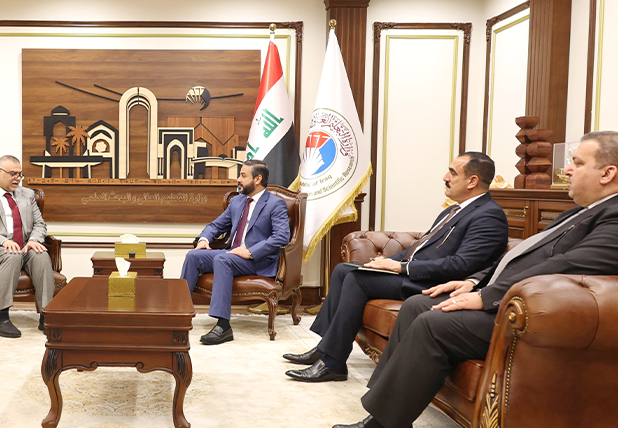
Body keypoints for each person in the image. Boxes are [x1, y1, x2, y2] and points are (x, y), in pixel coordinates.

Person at [319, 131, 618, 428]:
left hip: (534, 319)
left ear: (607, 173)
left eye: (577, 163)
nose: (567, 170)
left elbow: (566, 268)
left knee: (432, 325)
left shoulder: (614, 216)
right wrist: (473, 282)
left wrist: (486, 297)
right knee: (417, 306)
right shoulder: (581, 211)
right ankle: (392, 422)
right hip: (513, 303)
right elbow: (519, 259)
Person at [283, 152, 508, 383]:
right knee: (343, 270)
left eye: (452, 173)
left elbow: (462, 265)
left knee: (358, 280)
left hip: (435, 283)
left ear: (472, 181)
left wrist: (402, 268)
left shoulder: (488, 215)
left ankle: (333, 363)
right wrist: (385, 263)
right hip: (418, 274)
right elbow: (420, 248)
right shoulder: (453, 210)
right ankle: (325, 348)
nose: (445, 177)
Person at [180, 159, 290, 345]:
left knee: (223, 259)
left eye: (243, 175)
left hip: (256, 260)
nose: (238, 179)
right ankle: (180, 313)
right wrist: (204, 239)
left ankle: (223, 326)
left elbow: (281, 237)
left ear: (258, 179)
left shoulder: (275, 204)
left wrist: (251, 252)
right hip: (232, 254)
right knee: (193, 256)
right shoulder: (237, 201)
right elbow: (216, 225)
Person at [0, 155, 54, 338]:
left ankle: (47, 316)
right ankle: (2, 318)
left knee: (41, 254)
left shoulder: (27, 194)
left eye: (20, 174)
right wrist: (2, 241)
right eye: (13, 174)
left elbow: (39, 223)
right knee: (11, 255)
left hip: (23, 246)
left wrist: (34, 240)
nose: (17, 178)